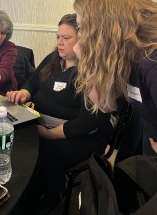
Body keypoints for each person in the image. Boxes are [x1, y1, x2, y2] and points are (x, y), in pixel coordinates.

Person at [7, 13, 115, 215]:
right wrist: (23, 92)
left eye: (66, 38)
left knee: (44, 154)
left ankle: (50, 198)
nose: (60, 43)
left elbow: (86, 122)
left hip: (80, 135)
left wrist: (48, 134)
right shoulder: (54, 59)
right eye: (58, 37)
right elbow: (33, 81)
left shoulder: (91, 71)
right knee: (18, 142)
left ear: (83, 39)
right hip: (44, 122)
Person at [73, 0, 157, 159]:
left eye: (82, 28)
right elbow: (106, 105)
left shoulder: (151, 61)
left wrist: (86, 61)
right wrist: (87, 63)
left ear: (103, 28)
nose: (79, 35)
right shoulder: (124, 52)